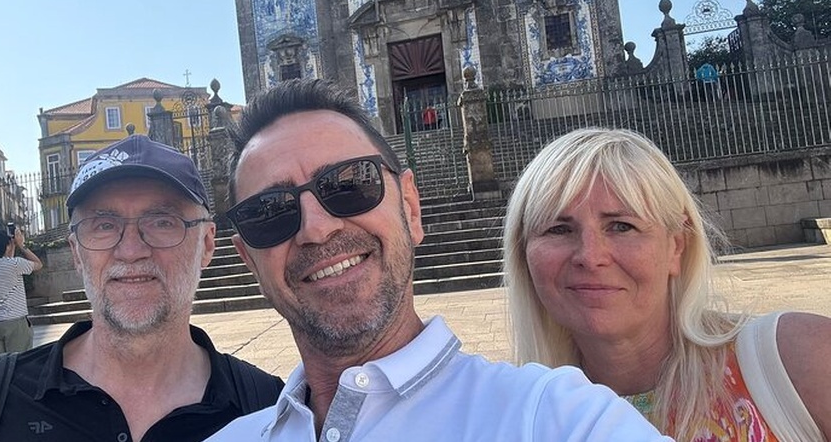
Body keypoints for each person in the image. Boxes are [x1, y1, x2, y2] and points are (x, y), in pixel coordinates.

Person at [207, 79, 671, 441]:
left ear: (411, 208)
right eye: (269, 212)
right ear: (249, 259)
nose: (316, 229)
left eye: (349, 184)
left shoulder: (553, 417)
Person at [502, 127, 831, 441]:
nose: (590, 256)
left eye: (621, 226)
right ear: (523, 255)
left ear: (676, 246)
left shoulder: (799, 360)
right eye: (558, 229)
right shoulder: (517, 419)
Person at [0, 134, 283, 441]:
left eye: (162, 222)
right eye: (104, 225)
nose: (130, 251)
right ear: (76, 252)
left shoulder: (275, 414)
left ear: (207, 244)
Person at [0, 227, 43, 354]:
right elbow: (38, 264)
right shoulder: (15, 264)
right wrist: (21, 245)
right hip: (15, 322)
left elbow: (6, 259)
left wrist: (11, 245)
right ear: (7, 246)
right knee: (19, 361)